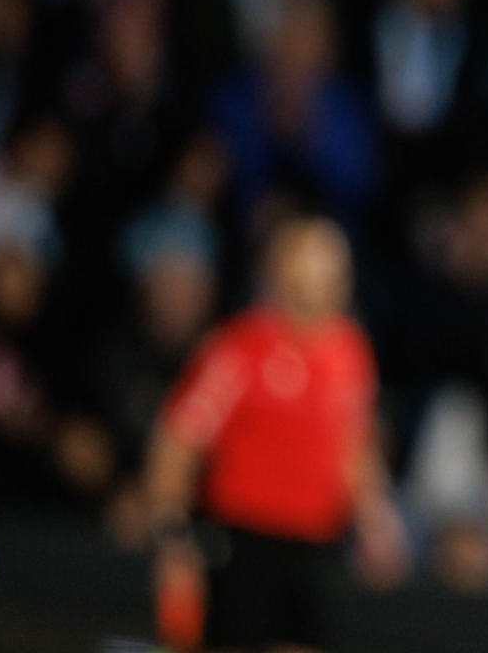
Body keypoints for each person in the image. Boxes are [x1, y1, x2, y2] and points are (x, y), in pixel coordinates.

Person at [144, 216, 408, 653]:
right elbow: (177, 441)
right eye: (310, 266)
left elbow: (355, 445)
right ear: (279, 272)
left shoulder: (350, 352)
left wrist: (375, 518)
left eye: (333, 270)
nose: (324, 281)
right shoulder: (238, 348)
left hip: (316, 547)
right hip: (243, 542)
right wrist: (172, 537)